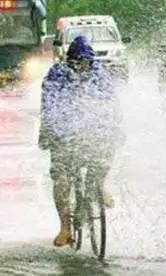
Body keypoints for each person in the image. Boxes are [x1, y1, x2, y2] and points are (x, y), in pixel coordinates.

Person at [38, 35, 123, 247]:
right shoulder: (57, 74)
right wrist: (52, 131)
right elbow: (50, 104)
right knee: (62, 179)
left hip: (93, 132)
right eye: (76, 61)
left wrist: (116, 126)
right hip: (63, 134)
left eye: (84, 61)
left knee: (105, 155)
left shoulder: (99, 74)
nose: (80, 65)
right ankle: (65, 227)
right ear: (69, 59)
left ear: (91, 60)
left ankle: (99, 186)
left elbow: (111, 102)